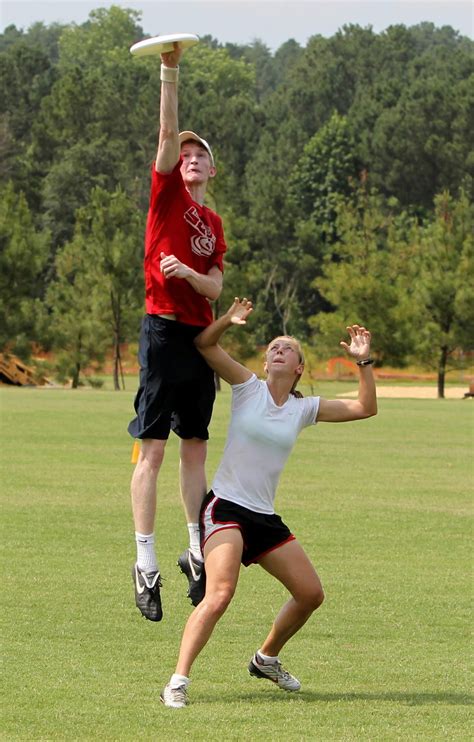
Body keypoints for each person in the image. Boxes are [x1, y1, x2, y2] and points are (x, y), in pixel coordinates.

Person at [160, 298, 377, 707]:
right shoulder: (247, 388)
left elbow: (366, 407)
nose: (277, 351)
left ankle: (266, 658)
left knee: (311, 593)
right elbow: (205, 346)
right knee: (220, 593)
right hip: (224, 507)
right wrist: (226, 320)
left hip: (262, 516)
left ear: (298, 369)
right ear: (265, 363)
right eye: (273, 348)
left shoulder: (303, 408)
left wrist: (363, 362)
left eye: (287, 348)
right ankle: (176, 682)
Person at [127, 43, 227, 622]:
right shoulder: (165, 195)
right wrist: (170, 68)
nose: (189, 156)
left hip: (200, 340)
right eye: (184, 152)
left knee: (196, 449)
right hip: (163, 332)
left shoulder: (214, 224)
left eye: (200, 153)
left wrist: (191, 272)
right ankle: (145, 561)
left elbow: (214, 288)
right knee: (154, 449)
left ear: (213, 169)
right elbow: (166, 134)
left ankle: (194, 545)